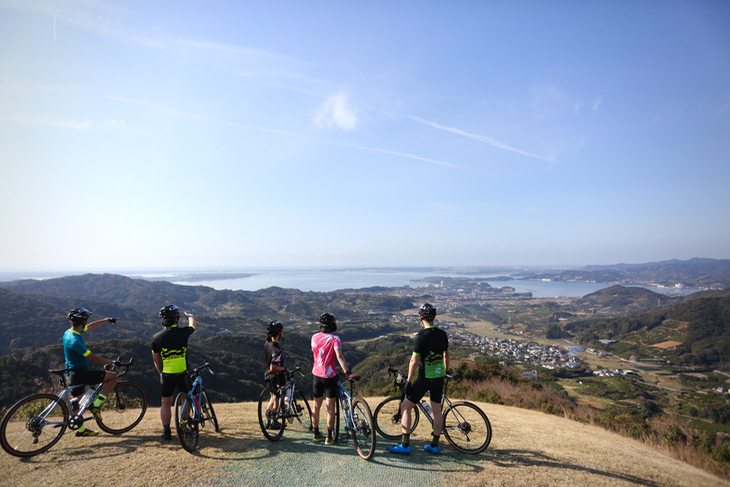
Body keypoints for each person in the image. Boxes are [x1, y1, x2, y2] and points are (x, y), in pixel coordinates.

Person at [388, 303, 450, 455]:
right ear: (434, 317)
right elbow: (446, 355)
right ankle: (434, 445)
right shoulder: (443, 334)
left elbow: (414, 361)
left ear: (420, 318)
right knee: (437, 412)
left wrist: (408, 381)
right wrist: (446, 371)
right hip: (439, 377)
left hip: (425, 378)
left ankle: (404, 445)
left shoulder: (420, 337)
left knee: (405, 407)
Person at [63, 308, 119, 437]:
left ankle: (81, 430)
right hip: (80, 374)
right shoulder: (75, 341)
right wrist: (112, 363)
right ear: (82, 321)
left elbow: (91, 326)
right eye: (85, 319)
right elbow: (93, 357)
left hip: (71, 373)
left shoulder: (69, 332)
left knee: (77, 402)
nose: (87, 321)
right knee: (113, 377)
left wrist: (106, 320)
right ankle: (96, 405)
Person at [311, 312, 359, 444]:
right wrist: (347, 372)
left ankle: (315, 433)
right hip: (329, 376)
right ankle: (329, 437)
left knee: (316, 406)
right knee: (330, 408)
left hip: (316, 375)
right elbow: (339, 357)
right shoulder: (335, 339)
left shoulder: (314, 337)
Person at [151, 304, 195, 441]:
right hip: (182, 373)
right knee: (185, 398)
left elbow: (156, 359)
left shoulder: (156, 338)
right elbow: (192, 326)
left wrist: (161, 373)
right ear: (176, 319)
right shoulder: (183, 333)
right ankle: (183, 424)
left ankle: (166, 431)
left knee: (165, 402)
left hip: (167, 374)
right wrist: (190, 317)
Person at [263, 320, 286, 429]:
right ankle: (275, 422)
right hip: (276, 375)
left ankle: (268, 420)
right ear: (279, 333)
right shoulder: (277, 350)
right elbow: (274, 366)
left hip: (268, 375)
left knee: (272, 397)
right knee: (276, 399)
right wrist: (284, 368)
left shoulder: (267, 343)